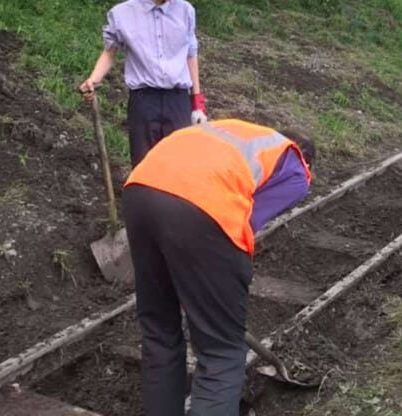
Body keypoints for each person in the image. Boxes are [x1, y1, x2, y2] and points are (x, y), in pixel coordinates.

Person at [122, 119, 315, 416]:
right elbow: (243, 225)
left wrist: (187, 275)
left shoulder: (235, 133)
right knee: (222, 352)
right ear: (306, 160)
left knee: (159, 332)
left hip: (140, 190)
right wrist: (208, 285)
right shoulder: (295, 165)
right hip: (200, 208)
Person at [79, 0, 206, 168]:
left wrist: (197, 102)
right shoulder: (122, 14)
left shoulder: (186, 11)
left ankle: (174, 204)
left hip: (178, 100)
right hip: (143, 101)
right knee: (145, 165)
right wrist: (93, 79)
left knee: (180, 164)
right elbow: (110, 53)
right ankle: (144, 203)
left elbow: (190, 55)